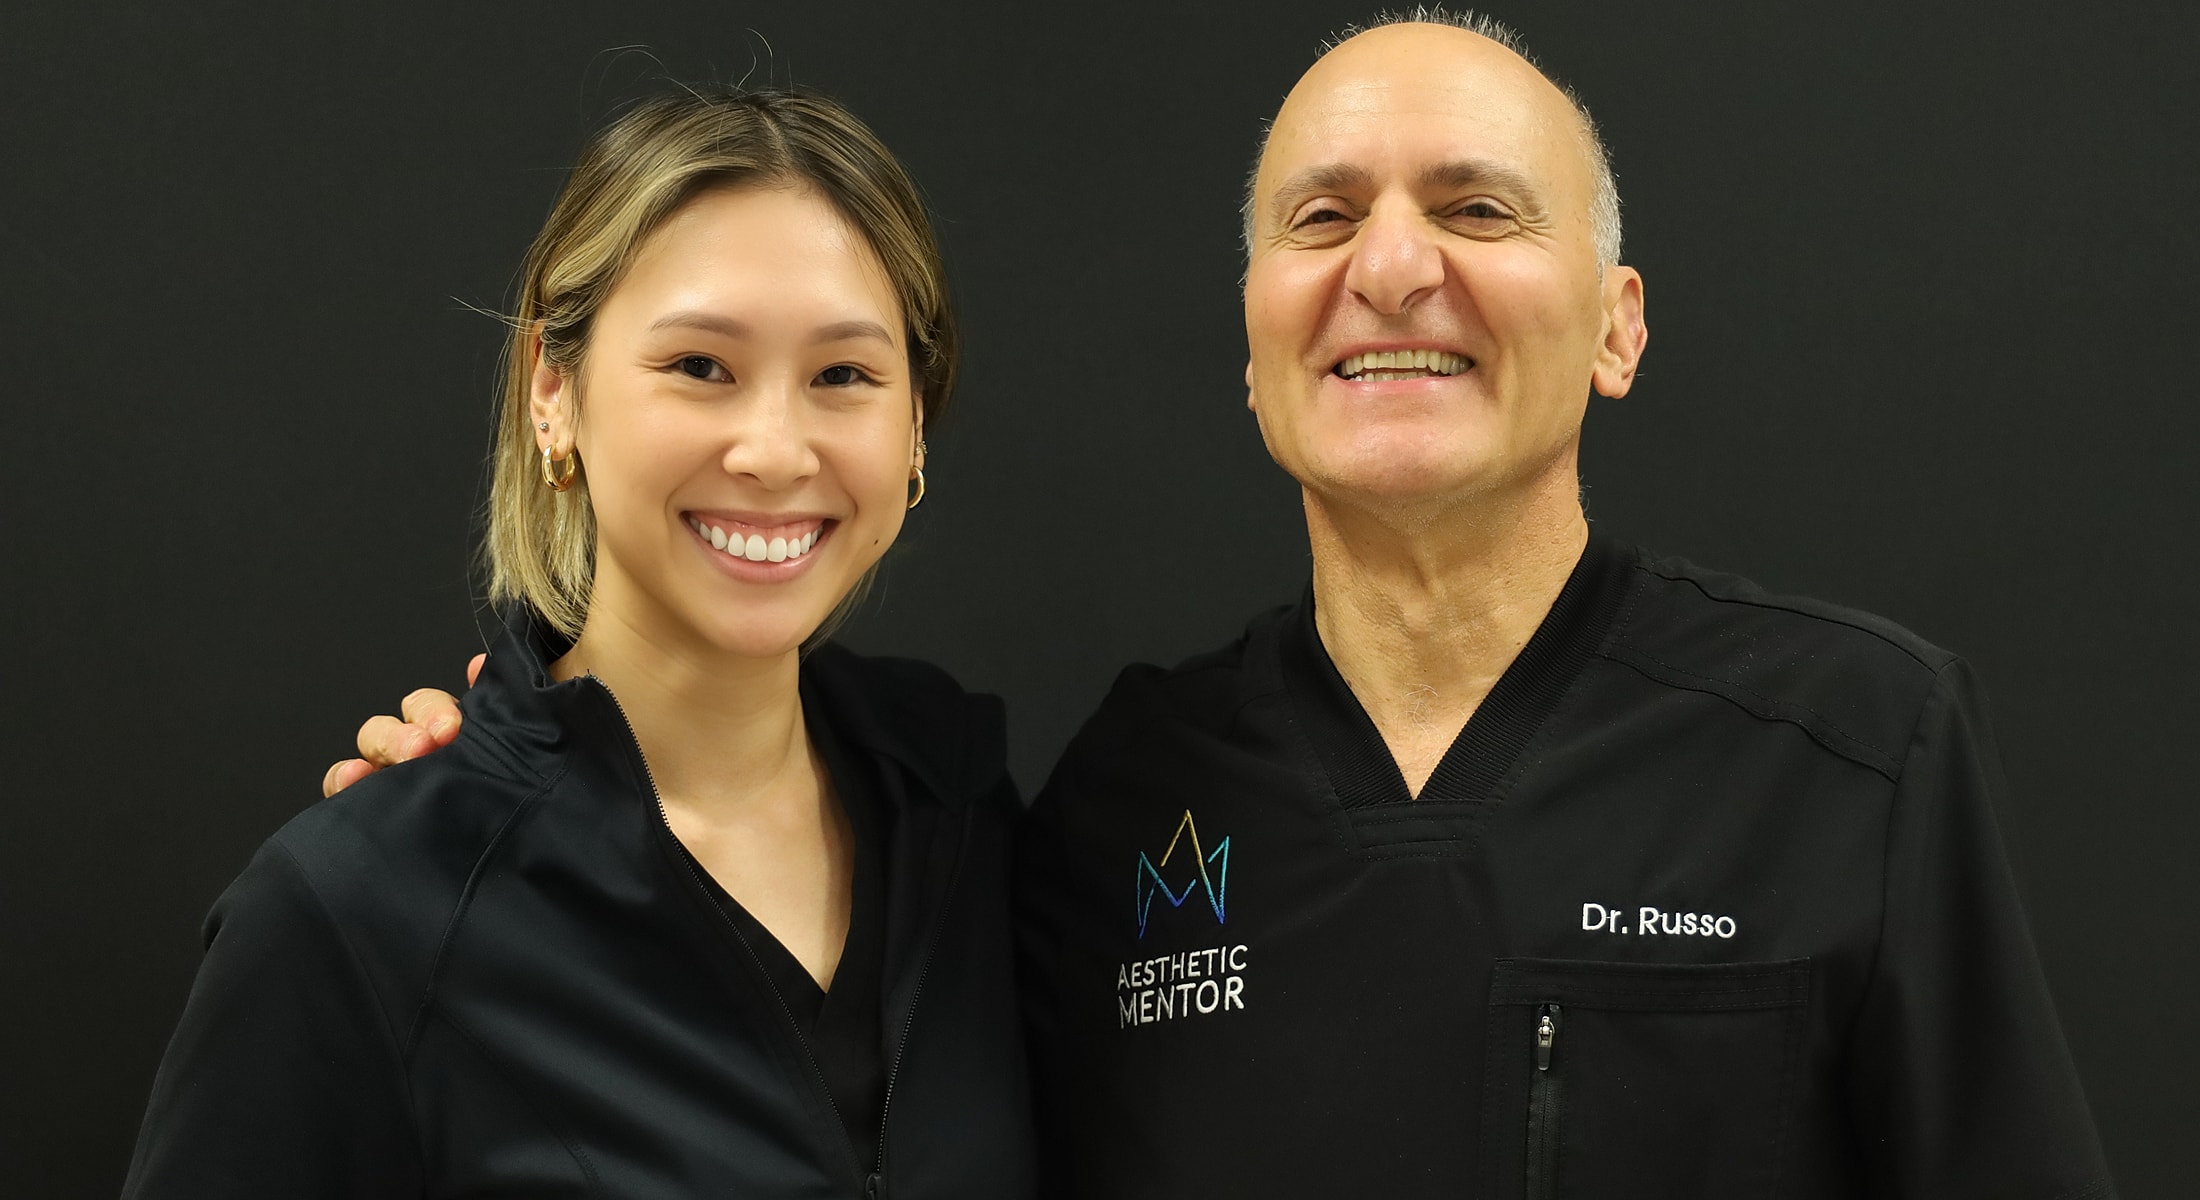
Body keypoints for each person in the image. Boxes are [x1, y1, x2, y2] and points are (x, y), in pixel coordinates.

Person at [330, 11, 2117, 1199]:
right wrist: (511, 804)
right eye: (1321, 217)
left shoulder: (1853, 748)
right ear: (1256, 341)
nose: (1392, 266)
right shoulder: (1099, 813)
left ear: (1622, 321)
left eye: (1478, 207)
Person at [127, 89, 1035, 1198]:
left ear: (915, 430)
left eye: (843, 375)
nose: (774, 450)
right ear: (553, 391)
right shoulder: (361, 910)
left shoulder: (968, 815)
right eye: (700, 365)